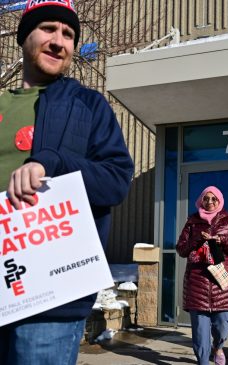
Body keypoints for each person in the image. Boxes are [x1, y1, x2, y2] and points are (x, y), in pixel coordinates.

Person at [0, 1, 134, 364]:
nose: (59, 41)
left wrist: (53, 164)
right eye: (48, 29)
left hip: (49, 302)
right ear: (23, 36)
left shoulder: (88, 105)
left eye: (69, 34)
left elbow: (117, 179)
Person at [176, 186, 228, 365]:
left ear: (220, 201)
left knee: (223, 325)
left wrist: (223, 241)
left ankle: (218, 347)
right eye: (206, 199)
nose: (210, 202)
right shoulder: (192, 222)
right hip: (197, 280)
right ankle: (203, 361)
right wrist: (197, 239)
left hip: (221, 280)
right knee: (200, 331)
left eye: (214, 199)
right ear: (201, 200)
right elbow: (181, 249)